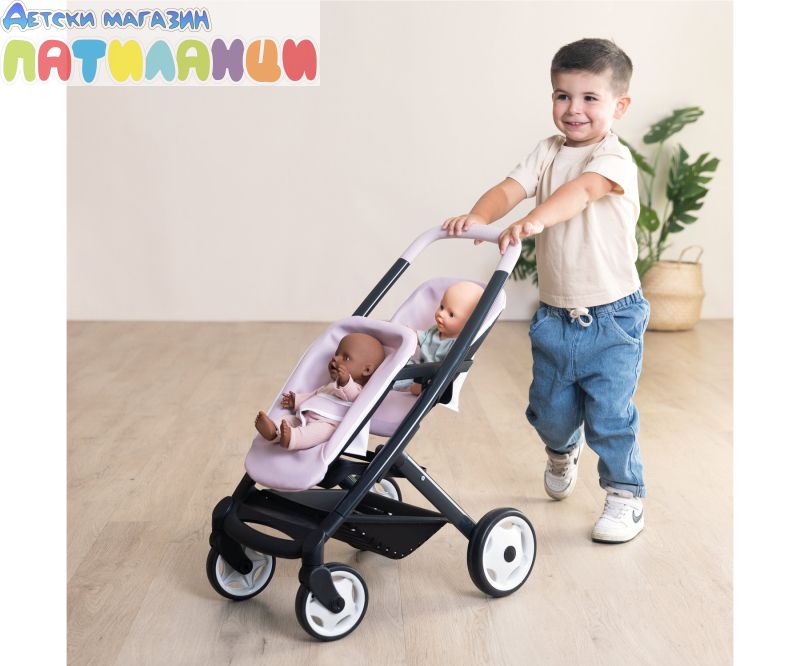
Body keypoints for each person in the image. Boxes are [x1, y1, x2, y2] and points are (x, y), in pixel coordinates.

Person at [443, 38, 649, 544]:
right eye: (562, 96)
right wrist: (480, 215)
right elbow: (509, 188)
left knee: (610, 414)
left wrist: (534, 220)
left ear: (619, 106)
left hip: (613, 316)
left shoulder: (613, 158)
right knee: (550, 410)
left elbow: (580, 193)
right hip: (556, 315)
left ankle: (625, 494)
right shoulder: (548, 151)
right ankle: (561, 449)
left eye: (590, 98)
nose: (574, 109)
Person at [254, 332, 385, 450]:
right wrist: (296, 400)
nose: (335, 359)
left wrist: (345, 382)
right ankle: (274, 431)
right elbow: (314, 395)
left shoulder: (358, 390)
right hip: (305, 415)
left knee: (315, 433)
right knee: (289, 420)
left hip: (329, 424)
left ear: (366, 370)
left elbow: (352, 396)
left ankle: (292, 438)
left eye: (346, 358)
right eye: (336, 354)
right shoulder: (328, 386)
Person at [394, 281, 484, 396]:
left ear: (469, 323)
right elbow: (422, 337)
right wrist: (410, 333)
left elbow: (447, 368)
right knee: (396, 367)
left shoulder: (457, 346)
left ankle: (417, 388)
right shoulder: (435, 330)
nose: (441, 314)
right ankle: (389, 381)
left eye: (451, 314)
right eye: (441, 307)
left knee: (418, 383)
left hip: (429, 374)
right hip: (416, 365)